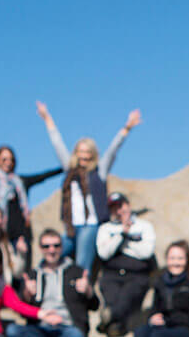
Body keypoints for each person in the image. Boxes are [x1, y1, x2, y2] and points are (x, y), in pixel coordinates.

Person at [37, 100, 141, 275]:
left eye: (87, 155)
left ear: (92, 156)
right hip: (71, 227)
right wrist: (47, 118)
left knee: (81, 264)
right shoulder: (70, 171)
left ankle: (81, 292)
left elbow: (113, 150)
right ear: (76, 154)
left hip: (90, 225)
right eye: (81, 154)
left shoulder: (99, 171)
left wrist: (127, 128)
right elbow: (57, 143)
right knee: (52, 255)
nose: (83, 158)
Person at [0, 139, 62, 273]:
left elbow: (43, 176)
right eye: (4, 159)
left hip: (21, 236)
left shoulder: (20, 182)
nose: (8, 163)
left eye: (11, 159)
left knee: (22, 273)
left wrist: (66, 167)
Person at [93, 192, 156, 337]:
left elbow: (146, 252)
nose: (119, 211)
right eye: (114, 208)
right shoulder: (106, 228)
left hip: (136, 275)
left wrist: (123, 243)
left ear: (128, 205)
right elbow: (104, 253)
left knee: (127, 297)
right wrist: (122, 234)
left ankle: (110, 317)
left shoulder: (144, 226)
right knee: (112, 296)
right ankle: (115, 325)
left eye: (121, 206)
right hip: (112, 274)